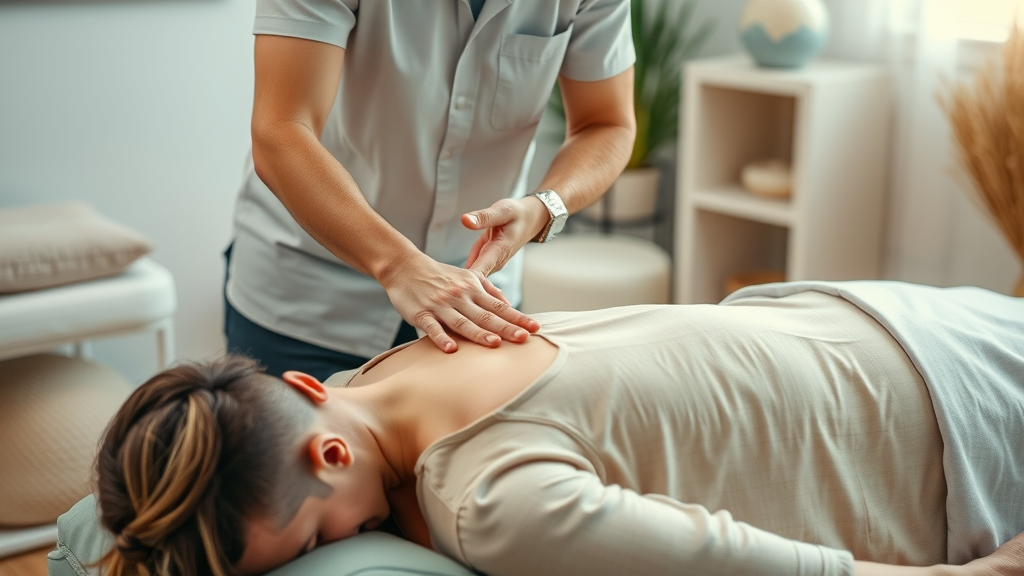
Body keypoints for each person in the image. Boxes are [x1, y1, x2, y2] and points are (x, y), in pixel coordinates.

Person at [96, 281, 1024, 576]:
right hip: (881, 317)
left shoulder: (486, 504)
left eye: (311, 538)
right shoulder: (406, 353)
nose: (324, 555)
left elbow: (733, 563)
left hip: (945, 437)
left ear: (330, 452)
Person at [223, 0, 638, 381]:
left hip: (474, 300)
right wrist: (399, 265)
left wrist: (543, 209)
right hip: (308, 300)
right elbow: (281, 131)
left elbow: (606, 124)